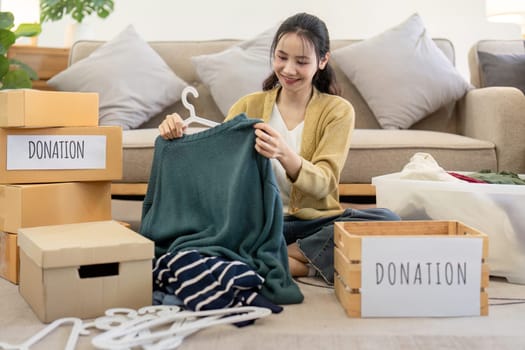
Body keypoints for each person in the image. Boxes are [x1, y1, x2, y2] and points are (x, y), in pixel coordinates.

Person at [158, 12, 400, 284]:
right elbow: (215, 171)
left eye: (302, 61)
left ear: (322, 61)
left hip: (313, 224)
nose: (288, 69)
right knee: (188, 240)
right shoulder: (248, 106)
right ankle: (301, 263)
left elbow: (324, 183)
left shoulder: (337, 111)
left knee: (387, 219)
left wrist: (285, 154)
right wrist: (177, 136)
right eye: (281, 57)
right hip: (259, 224)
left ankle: (273, 257)